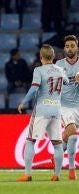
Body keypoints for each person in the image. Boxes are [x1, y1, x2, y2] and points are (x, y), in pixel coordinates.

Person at [16, 44, 70, 182]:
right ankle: (56, 175)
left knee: (30, 141)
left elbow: (34, 89)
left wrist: (23, 102)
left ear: (41, 57)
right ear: (53, 56)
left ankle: (27, 174)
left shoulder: (38, 70)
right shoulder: (60, 69)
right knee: (57, 144)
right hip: (56, 110)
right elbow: (67, 82)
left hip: (42, 109)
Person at [55, 35, 79, 180]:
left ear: (77, 47)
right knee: (73, 134)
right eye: (67, 46)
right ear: (64, 49)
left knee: (68, 135)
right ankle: (72, 169)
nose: (70, 48)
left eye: (72, 46)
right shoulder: (59, 64)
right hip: (64, 105)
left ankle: (56, 155)